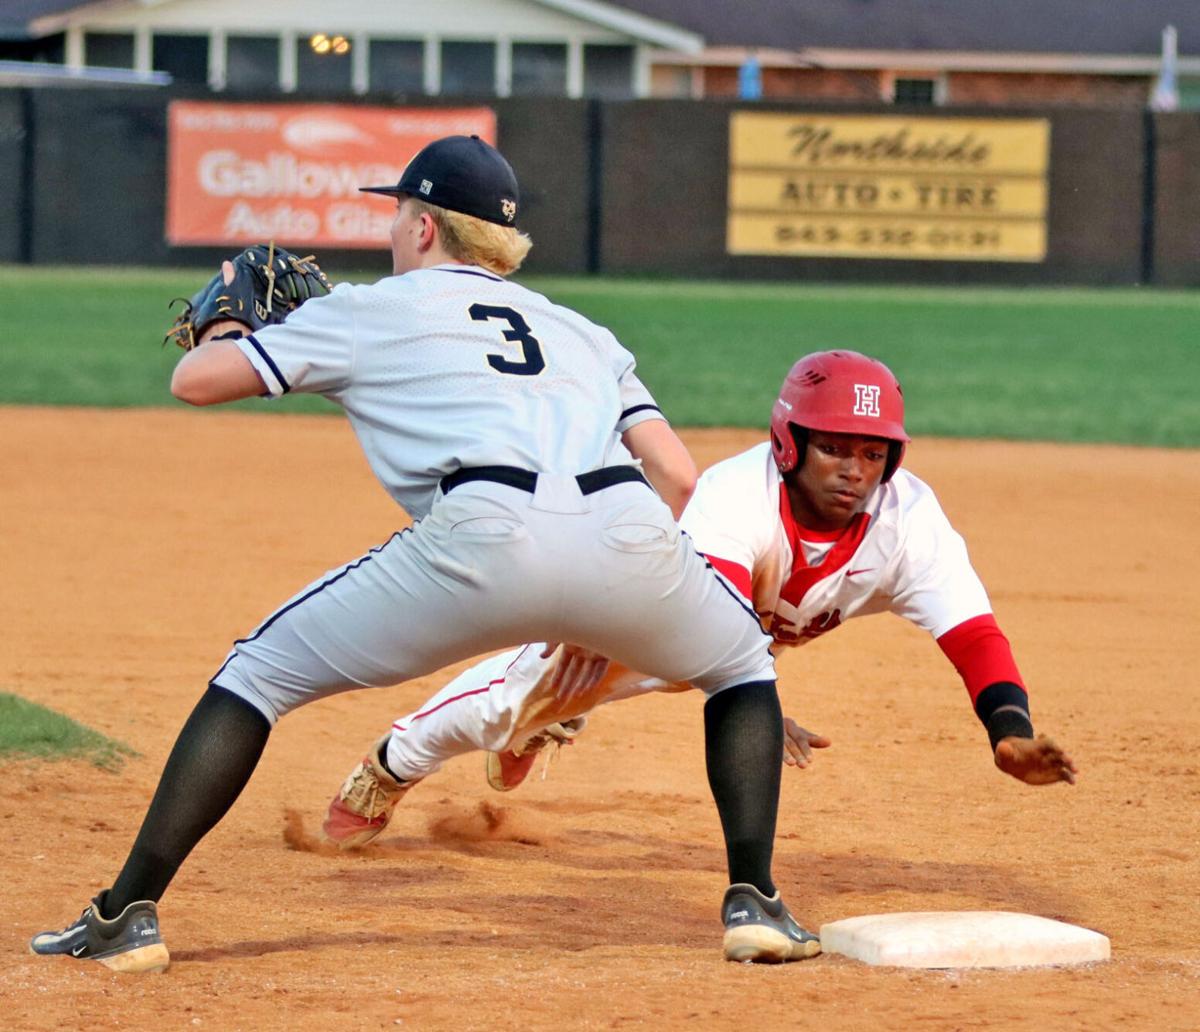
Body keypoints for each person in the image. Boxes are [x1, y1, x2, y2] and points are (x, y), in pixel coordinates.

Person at [29, 135, 802, 972]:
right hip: (631, 530)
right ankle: (754, 904)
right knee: (741, 669)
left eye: (398, 214)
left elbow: (197, 382)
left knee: (256, 676)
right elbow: (679, 478)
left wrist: (228, 323)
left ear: (426, 227)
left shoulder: (370, 309)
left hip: (482, 534)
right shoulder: (583, 331)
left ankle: (125, 915)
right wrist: (622, 611)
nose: (393, 229)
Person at [322, 348, 1078, 947]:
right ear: (790, 443)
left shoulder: (908, 521)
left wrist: (1008, 730)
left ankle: (547, 724)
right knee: (513, 701)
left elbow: (973, 633)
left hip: (731, 633)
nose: (856, 471)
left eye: (875, 454)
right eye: (835, 448)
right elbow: (715, 633)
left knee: (636, 693)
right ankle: (393, 762)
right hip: (643, 608)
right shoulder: (738, 495)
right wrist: (760, 708)